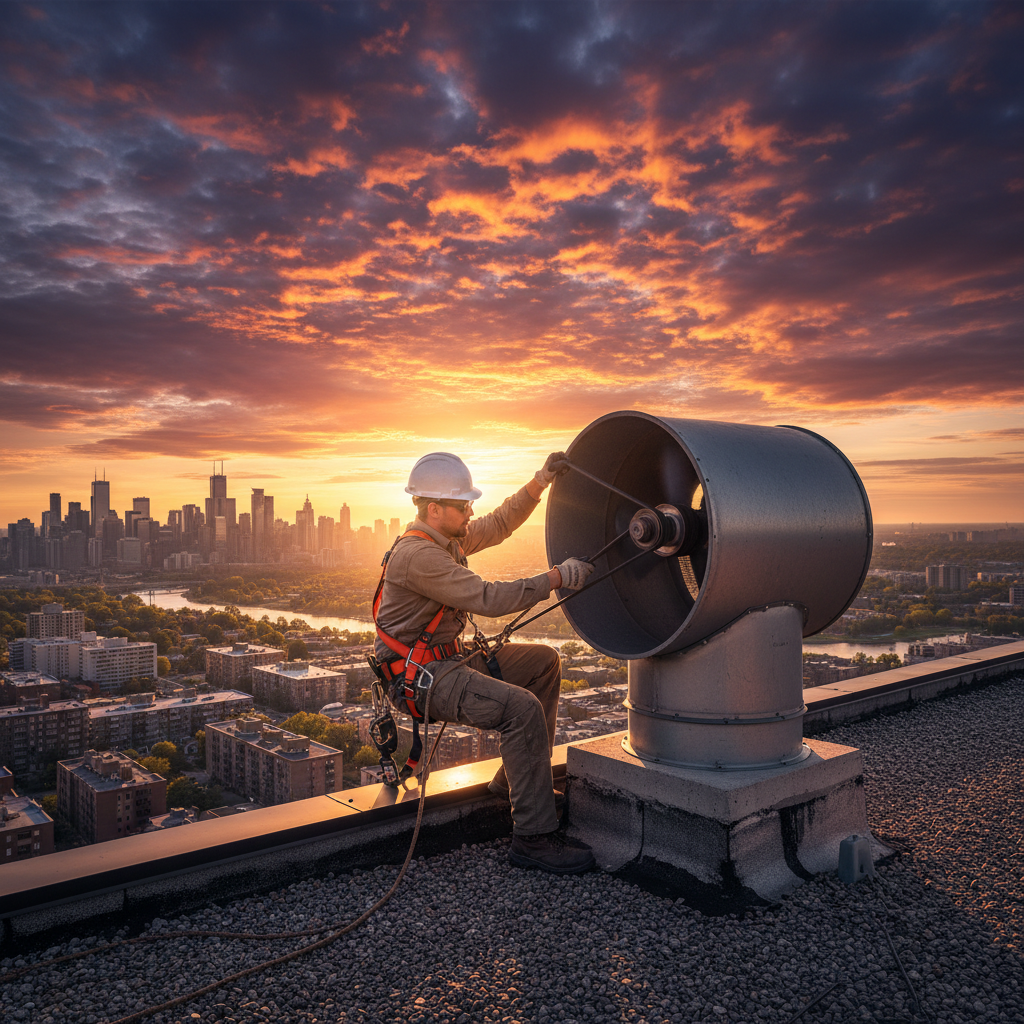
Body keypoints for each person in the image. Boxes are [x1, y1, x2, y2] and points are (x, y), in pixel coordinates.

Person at [373, 450, 597, 873]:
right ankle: (533, 837)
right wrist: (557, 577)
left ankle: (516, 784)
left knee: (543, 663)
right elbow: (490, 599)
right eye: (463, 505)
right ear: (434, 509)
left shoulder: (447, 538)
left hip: (445, 661)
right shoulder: (419, 556)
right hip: (420, 676)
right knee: (520, 709)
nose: (470, 511)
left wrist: (539, 481)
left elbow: (497, 524)